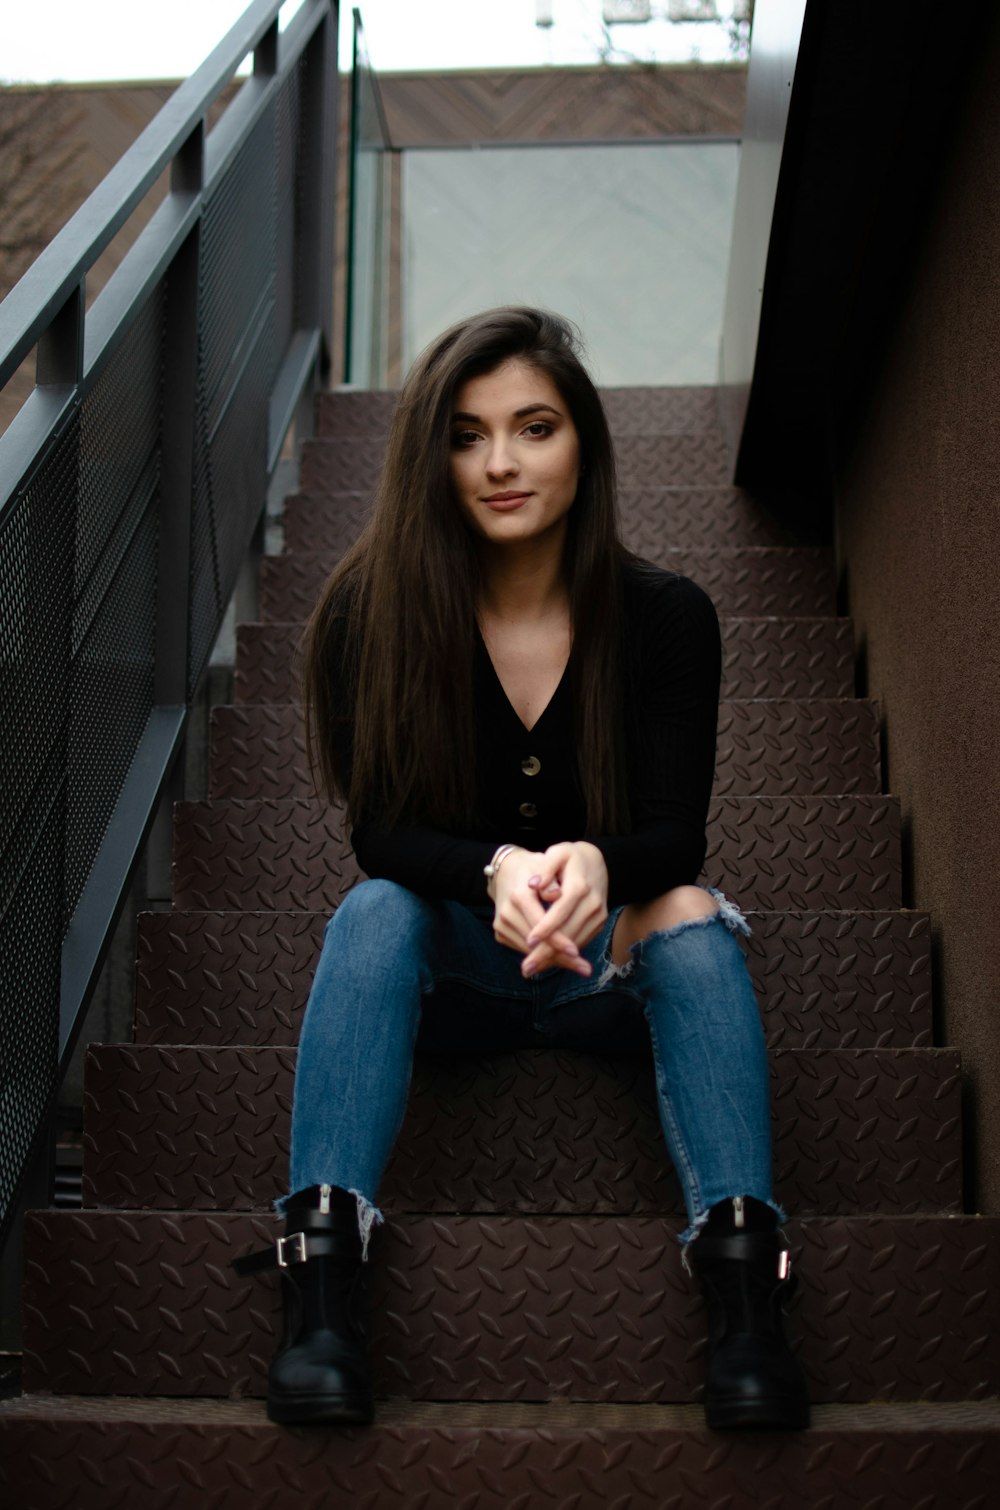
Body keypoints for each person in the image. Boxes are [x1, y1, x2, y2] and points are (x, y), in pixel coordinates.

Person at [234, 307, 809, 1432]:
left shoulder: (667, 617)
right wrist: (495, 866)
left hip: (608, 974)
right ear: (430, 459)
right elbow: (382, 831)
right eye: (466, 434)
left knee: (686, 906)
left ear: (582, 442)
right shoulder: (370, 612)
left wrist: (594, 863)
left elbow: (673, 836)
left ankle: (748, 1300)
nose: (500, 463)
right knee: (372, 908)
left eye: (533, 427)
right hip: (452, 976)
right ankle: (320, 1292)